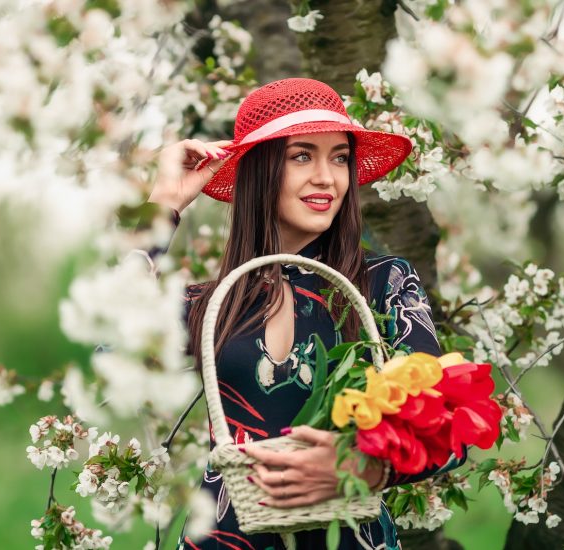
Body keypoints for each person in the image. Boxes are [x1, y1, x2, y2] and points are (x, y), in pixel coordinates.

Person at [147, 78, 465, 550]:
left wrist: (364, 465)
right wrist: (162, 205)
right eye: (302, 156)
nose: (327, 177)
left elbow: (451, 425)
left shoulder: (384, 284)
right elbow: (110, 340)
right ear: (260, 170)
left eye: (339, 157)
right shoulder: (210, 304)